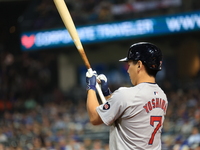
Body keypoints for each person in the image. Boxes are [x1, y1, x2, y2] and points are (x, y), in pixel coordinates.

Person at [85, 42, 168, 150]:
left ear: (139, 65)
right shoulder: (162, 96)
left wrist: (90, 87)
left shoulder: (126, 94)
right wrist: (107, 94)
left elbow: (94, 118)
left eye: (129, 65)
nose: (128, 70)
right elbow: (126, 110)